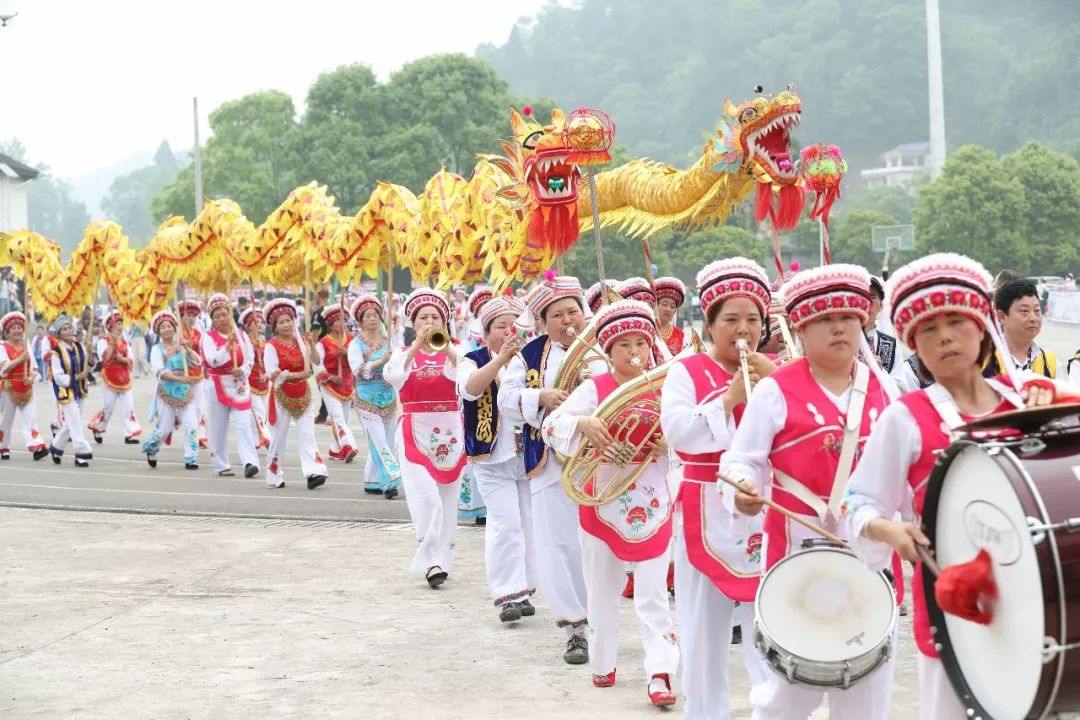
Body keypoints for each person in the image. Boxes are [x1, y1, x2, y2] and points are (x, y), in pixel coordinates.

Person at [843, 252, 1072, 719]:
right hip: (954, 603)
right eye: (927, 329)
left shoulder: (1026, 396)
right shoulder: (904, 417)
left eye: (955, 321)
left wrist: (1060, 405)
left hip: (1039, 594)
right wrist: (890, 531)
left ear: (982, 328)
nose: (944, 336)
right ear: (913, 343)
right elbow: (858, 502)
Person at [720, 264, 900, 720]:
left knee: (867, 690)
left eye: (849, 317)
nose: (839, 327)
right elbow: (743, 460)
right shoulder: (776, 389)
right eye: (824, 318)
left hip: (871, 554)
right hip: (796, 551)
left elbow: (906, 470)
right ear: (801, 328)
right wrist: (742, 489)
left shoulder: (884, 386)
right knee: (788, 690)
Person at [542, 299, 680, 707]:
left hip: (652, 497)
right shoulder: (594, 388)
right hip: (601, 498)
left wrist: (668, 444)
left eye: (642, 342)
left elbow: (688, 438)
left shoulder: (666, 385)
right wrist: (582, 423)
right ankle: (603, 662)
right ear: (608, 349)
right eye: (624, 345)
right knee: (600, 587)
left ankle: (660, 671)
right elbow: (551, 425)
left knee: (653, 592)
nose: (635, 351)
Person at [660, 258, 774, 720]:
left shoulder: (778, 371)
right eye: (730, 320)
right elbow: (678, 432)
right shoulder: (686, 371)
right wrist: (730, 398)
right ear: (709, 325)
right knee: (702, 631)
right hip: (703, 506)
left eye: (752, 320)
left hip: (766, 508)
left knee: (770, 628)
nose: (742, 329)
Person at [499, 273, 601, 665]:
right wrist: (539, 395)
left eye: (573, 310)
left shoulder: (602, 346)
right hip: (548, 463)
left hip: (601, 461)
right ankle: (575, 627)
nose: (567, 320)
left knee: (600, 545)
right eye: (556, 314)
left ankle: (604, 621)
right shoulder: (529, 354)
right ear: (542, 320)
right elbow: (507, 398)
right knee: (557, 546)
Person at [456, 292, 538, 623]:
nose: (508, 331)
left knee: (529, 524)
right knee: (505, 524)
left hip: (528, 456)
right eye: (500, 326)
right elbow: (469, 390)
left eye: (513, 325)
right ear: (486, 331)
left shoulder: (532, 357)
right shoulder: (471, 358)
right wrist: (500, 360)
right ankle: (507, 595)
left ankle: (526, 588)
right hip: (490, 458)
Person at [384, 289, 466, 587]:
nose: (429, 322)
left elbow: (466, 379)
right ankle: (429, 560)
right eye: (423, 318)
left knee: (447, 499)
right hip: (414, 429)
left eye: (435, 317)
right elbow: (393, 377)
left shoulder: (458, 348)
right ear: (413, 323)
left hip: (450, 431)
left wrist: (446, 350)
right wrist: (417, 346)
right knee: (426, 497)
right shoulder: (401, 353)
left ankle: (442, 560)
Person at [263, 298, 328, 490]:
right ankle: (274, 475)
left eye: (288, 320)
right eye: (281, 322)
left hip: (303, 394)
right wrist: (298, 374)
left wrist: (312, 344)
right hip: (281, 396)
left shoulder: (302, 341)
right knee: (278, 439)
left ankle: (313, 472)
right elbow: (273, 374)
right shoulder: (271, 346)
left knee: (307, 435)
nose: (286, 324)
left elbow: (316, 361)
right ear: (274, 326)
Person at [200, 293, 260, 479]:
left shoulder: (241, 335)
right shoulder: (208, 337)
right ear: (212, 319)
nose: (222, 319)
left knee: (243, 423)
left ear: (230, 314)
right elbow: (212, 360)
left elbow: (250, 358)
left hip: (239, 384)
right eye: (217, 316)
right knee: (218, 426)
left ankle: (250, 462)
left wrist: (242, 370)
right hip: (217, 384)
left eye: (224, 314)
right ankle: (221, 464)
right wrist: (227, 347)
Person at [348, 294, 402, 499]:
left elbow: (398, 364)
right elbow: (357, 370)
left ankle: (372, 481)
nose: (372, 318)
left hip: (387, 395)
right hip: (366, 397)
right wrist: (380, 363)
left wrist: (392, 368)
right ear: (361, 321)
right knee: (379, 440)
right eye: (367, 315)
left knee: (386, 440)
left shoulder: (390, 341)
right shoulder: (356, 345)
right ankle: (390, 481)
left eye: (375, 314)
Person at [141, 310, 202, 470]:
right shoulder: (156, 349)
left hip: (185, 392)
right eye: (163, 327)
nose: (167, 329)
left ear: (175, 328)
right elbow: (160, 372)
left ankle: (191, 457)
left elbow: (197, 362)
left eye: (169, 326)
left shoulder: (181, 345)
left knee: (191, 424)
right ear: (158, 331)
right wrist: (179, 378)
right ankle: (152, 449)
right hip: (166, 392)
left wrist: (187, 349)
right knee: (165, 428)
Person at [985, 278, 1064, 379]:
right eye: (1024, 311)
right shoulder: (981, 359)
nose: (1033, 318)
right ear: (1002, 316)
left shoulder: (1051, 363)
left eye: (1036, 310)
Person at [87, 310, 143, 445]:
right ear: (110, 326)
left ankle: (130, 434)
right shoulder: (103, 341)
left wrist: (122, 359)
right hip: (109, 378)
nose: (120, 327)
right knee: (109, 407)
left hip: (124, 378)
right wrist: (112, 346)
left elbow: (130, 359)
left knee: (129, 406)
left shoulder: (124, 342)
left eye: (121, 324)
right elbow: (104, 359)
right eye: (117, 324)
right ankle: (98, 428)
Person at [0, 311, 49, 461]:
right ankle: (3, 447)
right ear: (7, 331)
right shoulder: (2, 346)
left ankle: (37, 446)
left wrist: (31, 378)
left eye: (19, 327)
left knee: (31, 417)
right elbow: (3, 369)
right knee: (6, 419)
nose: (17, 330)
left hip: (25, 386)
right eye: (13, 328)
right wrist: (20, 359)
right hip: (8, 386)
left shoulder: (26, 343)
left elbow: (35, 368)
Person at [46, 315, 93, 467]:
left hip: (79, 389)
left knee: (72, 422)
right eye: (64, 329)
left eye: (69, 328)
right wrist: (76, 377)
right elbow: (58, 377)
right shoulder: (56, 352)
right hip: (65, 391)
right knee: (76, 422)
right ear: (58, 334)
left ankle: (56, 447)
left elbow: (88, 366)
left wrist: (91, 358)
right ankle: (81, 454)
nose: (68, 331)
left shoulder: (80, 347)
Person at [315, 303, 359, 463]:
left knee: (344, 420)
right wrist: (331, 377)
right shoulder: (323, 343)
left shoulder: (352, 340)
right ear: (330, 324)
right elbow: (317, 365)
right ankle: (348, 447)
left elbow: (358, 360)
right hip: (329, 384)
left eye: (344, 321)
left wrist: (347, 354)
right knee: (338, 418)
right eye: (338, 321)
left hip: (347, 383)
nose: (342, 324)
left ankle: (335, 450)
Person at [177, 299, 209, 449]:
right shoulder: (176, 334)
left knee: (199, 407)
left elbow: (203, 353)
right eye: (187, 315)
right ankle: (191, 438)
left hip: (198, 375)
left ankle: (201, 436)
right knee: (187, 409)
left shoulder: (198, 333)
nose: (190, 318)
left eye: (193, 315)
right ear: (180, 316)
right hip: (182, 377)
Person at [239, 307, 271, 451]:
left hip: (264, 382)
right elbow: (241, 360)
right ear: (248, 325)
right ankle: (267, 438)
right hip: (250, 382)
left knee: (262, 413)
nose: (259, 324)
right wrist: (252, 347)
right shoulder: (243, 341)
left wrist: (268, 374)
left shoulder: (266, 341)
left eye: (261, 322)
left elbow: (270, 361)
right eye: (255, 321)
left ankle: (255, 441)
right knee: (258, 411)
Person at [865, 276, 898, 374]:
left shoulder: (890, 344)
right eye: (863, 296)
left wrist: (881, 372)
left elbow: (901, 386)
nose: (868, 302)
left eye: (873, 297)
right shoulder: (844, 340)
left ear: (881, 305)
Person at [653, 276, 687, 356]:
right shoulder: (647, 331)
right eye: (664, 304)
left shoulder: (680, 335)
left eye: (672, 306)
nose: (668, 309)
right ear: (655, 305)